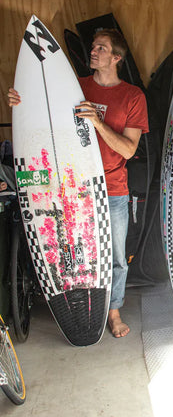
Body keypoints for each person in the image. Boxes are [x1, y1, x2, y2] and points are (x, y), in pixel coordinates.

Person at [9, 28, 149, 338]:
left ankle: (113, 312)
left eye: (101, 48)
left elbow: (129, 148)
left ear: (116, 58)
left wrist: (97, 122)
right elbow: (43, 113)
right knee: (74, 252)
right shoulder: (75, 87)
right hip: (72, 190)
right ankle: (79, 307)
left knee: (114, 257)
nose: (93, 51)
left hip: (111, 189)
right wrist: (22, 101)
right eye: (94, 46)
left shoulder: (132, 96)